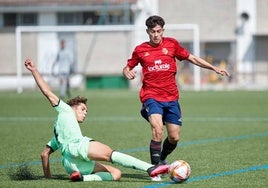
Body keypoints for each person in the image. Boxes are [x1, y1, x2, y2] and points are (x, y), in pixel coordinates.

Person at [24, 58, 168, 182]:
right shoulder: (65, 109)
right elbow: (47, 92)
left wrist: (48, 176)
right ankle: (150, 168)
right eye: (82, 109)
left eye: (86, 111)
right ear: (72, 107)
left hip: (70, 165)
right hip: (78, 148)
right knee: (111, 154)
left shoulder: (59, 135)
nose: (85, 113)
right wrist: (35, 70)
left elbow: (44, 154)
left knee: (116, 174)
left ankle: (83, 178)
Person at [122, 15, 230, 179]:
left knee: (174, 137)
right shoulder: (140, 50)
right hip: (151, 96)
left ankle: (163, 158)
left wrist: (213, 68)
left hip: (171, 98)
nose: (156, 35)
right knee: (157, 130)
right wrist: (127, 72)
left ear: (163, 30)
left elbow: (192, 58)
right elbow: (127, 67)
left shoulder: (172, 44)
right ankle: (155, 170)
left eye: (158, 31)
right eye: (152, 31)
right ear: (147, 31)